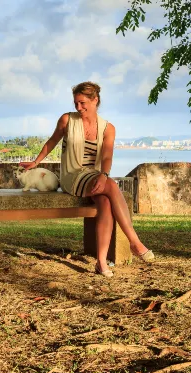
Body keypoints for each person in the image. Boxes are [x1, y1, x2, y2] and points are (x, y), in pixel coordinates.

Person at [21, 81, 154, 277]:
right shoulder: (67, 120)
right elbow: (51, 142)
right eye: (76, 103)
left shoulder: (108, 128)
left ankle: (101, 262)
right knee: (110, 185)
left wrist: (102, 175)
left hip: (93, 175)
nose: (78, 107)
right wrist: (35, 162)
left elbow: (107, 157)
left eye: (83, 103)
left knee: (105, 203)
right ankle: (134, 241)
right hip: (71, 175)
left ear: (95, 100)